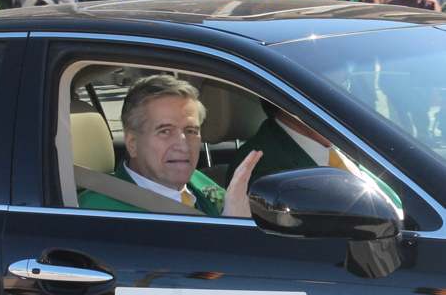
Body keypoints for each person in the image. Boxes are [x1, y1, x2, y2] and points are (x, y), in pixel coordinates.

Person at [79, 75, 262, 218]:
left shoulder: (199, 182)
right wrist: (229, 233)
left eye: (191, 131)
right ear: (132, 143)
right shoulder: (97, 211)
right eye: (165, 131)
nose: (183, 146)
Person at [225, 99, 361, 190]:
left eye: (344, 85)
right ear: (290, 101)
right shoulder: (256, 167)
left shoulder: (355, 142)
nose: (345, 101)